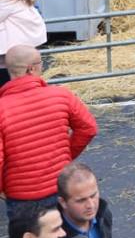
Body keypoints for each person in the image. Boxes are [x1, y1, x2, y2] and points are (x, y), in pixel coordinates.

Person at [0, 45, 97, 212]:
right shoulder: (61, 95)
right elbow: (88, 128)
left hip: (21, 195)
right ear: (31, 69)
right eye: (41, 63)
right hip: (62, 187)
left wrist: (2, 188)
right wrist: (65, 156)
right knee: (68, 235)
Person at [0, 0, 44, 87]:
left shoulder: (9, 4)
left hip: (10, 53)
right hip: (24, 50)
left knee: (7, 80)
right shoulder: (26, 1)